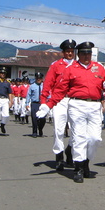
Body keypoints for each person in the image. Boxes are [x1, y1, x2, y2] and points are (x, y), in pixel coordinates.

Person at [37, 41, 105, 183]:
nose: (86, 56)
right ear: (78, 54)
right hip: (76, 104)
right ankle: (79, 167)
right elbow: (59, 89)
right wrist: (47, 104)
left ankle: (86, 159)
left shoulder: (99, 68)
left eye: (88, 53)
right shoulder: (70, 69)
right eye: (83, 53)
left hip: (94, 105)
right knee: (78, 136)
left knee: (94, 138)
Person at [40, 39, 77, 171]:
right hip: (59, 100)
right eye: (67, 51)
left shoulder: (78, 65)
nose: (70, 54)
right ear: (63, 52)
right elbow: (48, 83)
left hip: (74, 100)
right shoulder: (56, 65)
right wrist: (44, 100)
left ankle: (70, 150)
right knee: (58, 130)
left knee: (75, 130)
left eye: (72, 51)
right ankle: (59, 156)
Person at [26, 72, 46, 137]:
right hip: (34, 103)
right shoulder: (32, 86)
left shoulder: (44, 86)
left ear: (42, 79)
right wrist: (27, 103)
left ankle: (40, 128)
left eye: (40, 78)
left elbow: (48, 94)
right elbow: (28, 95)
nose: (38, 79)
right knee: (34, 118)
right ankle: (34, 132)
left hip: (42, 103)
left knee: (43, 119)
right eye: (37, 78)